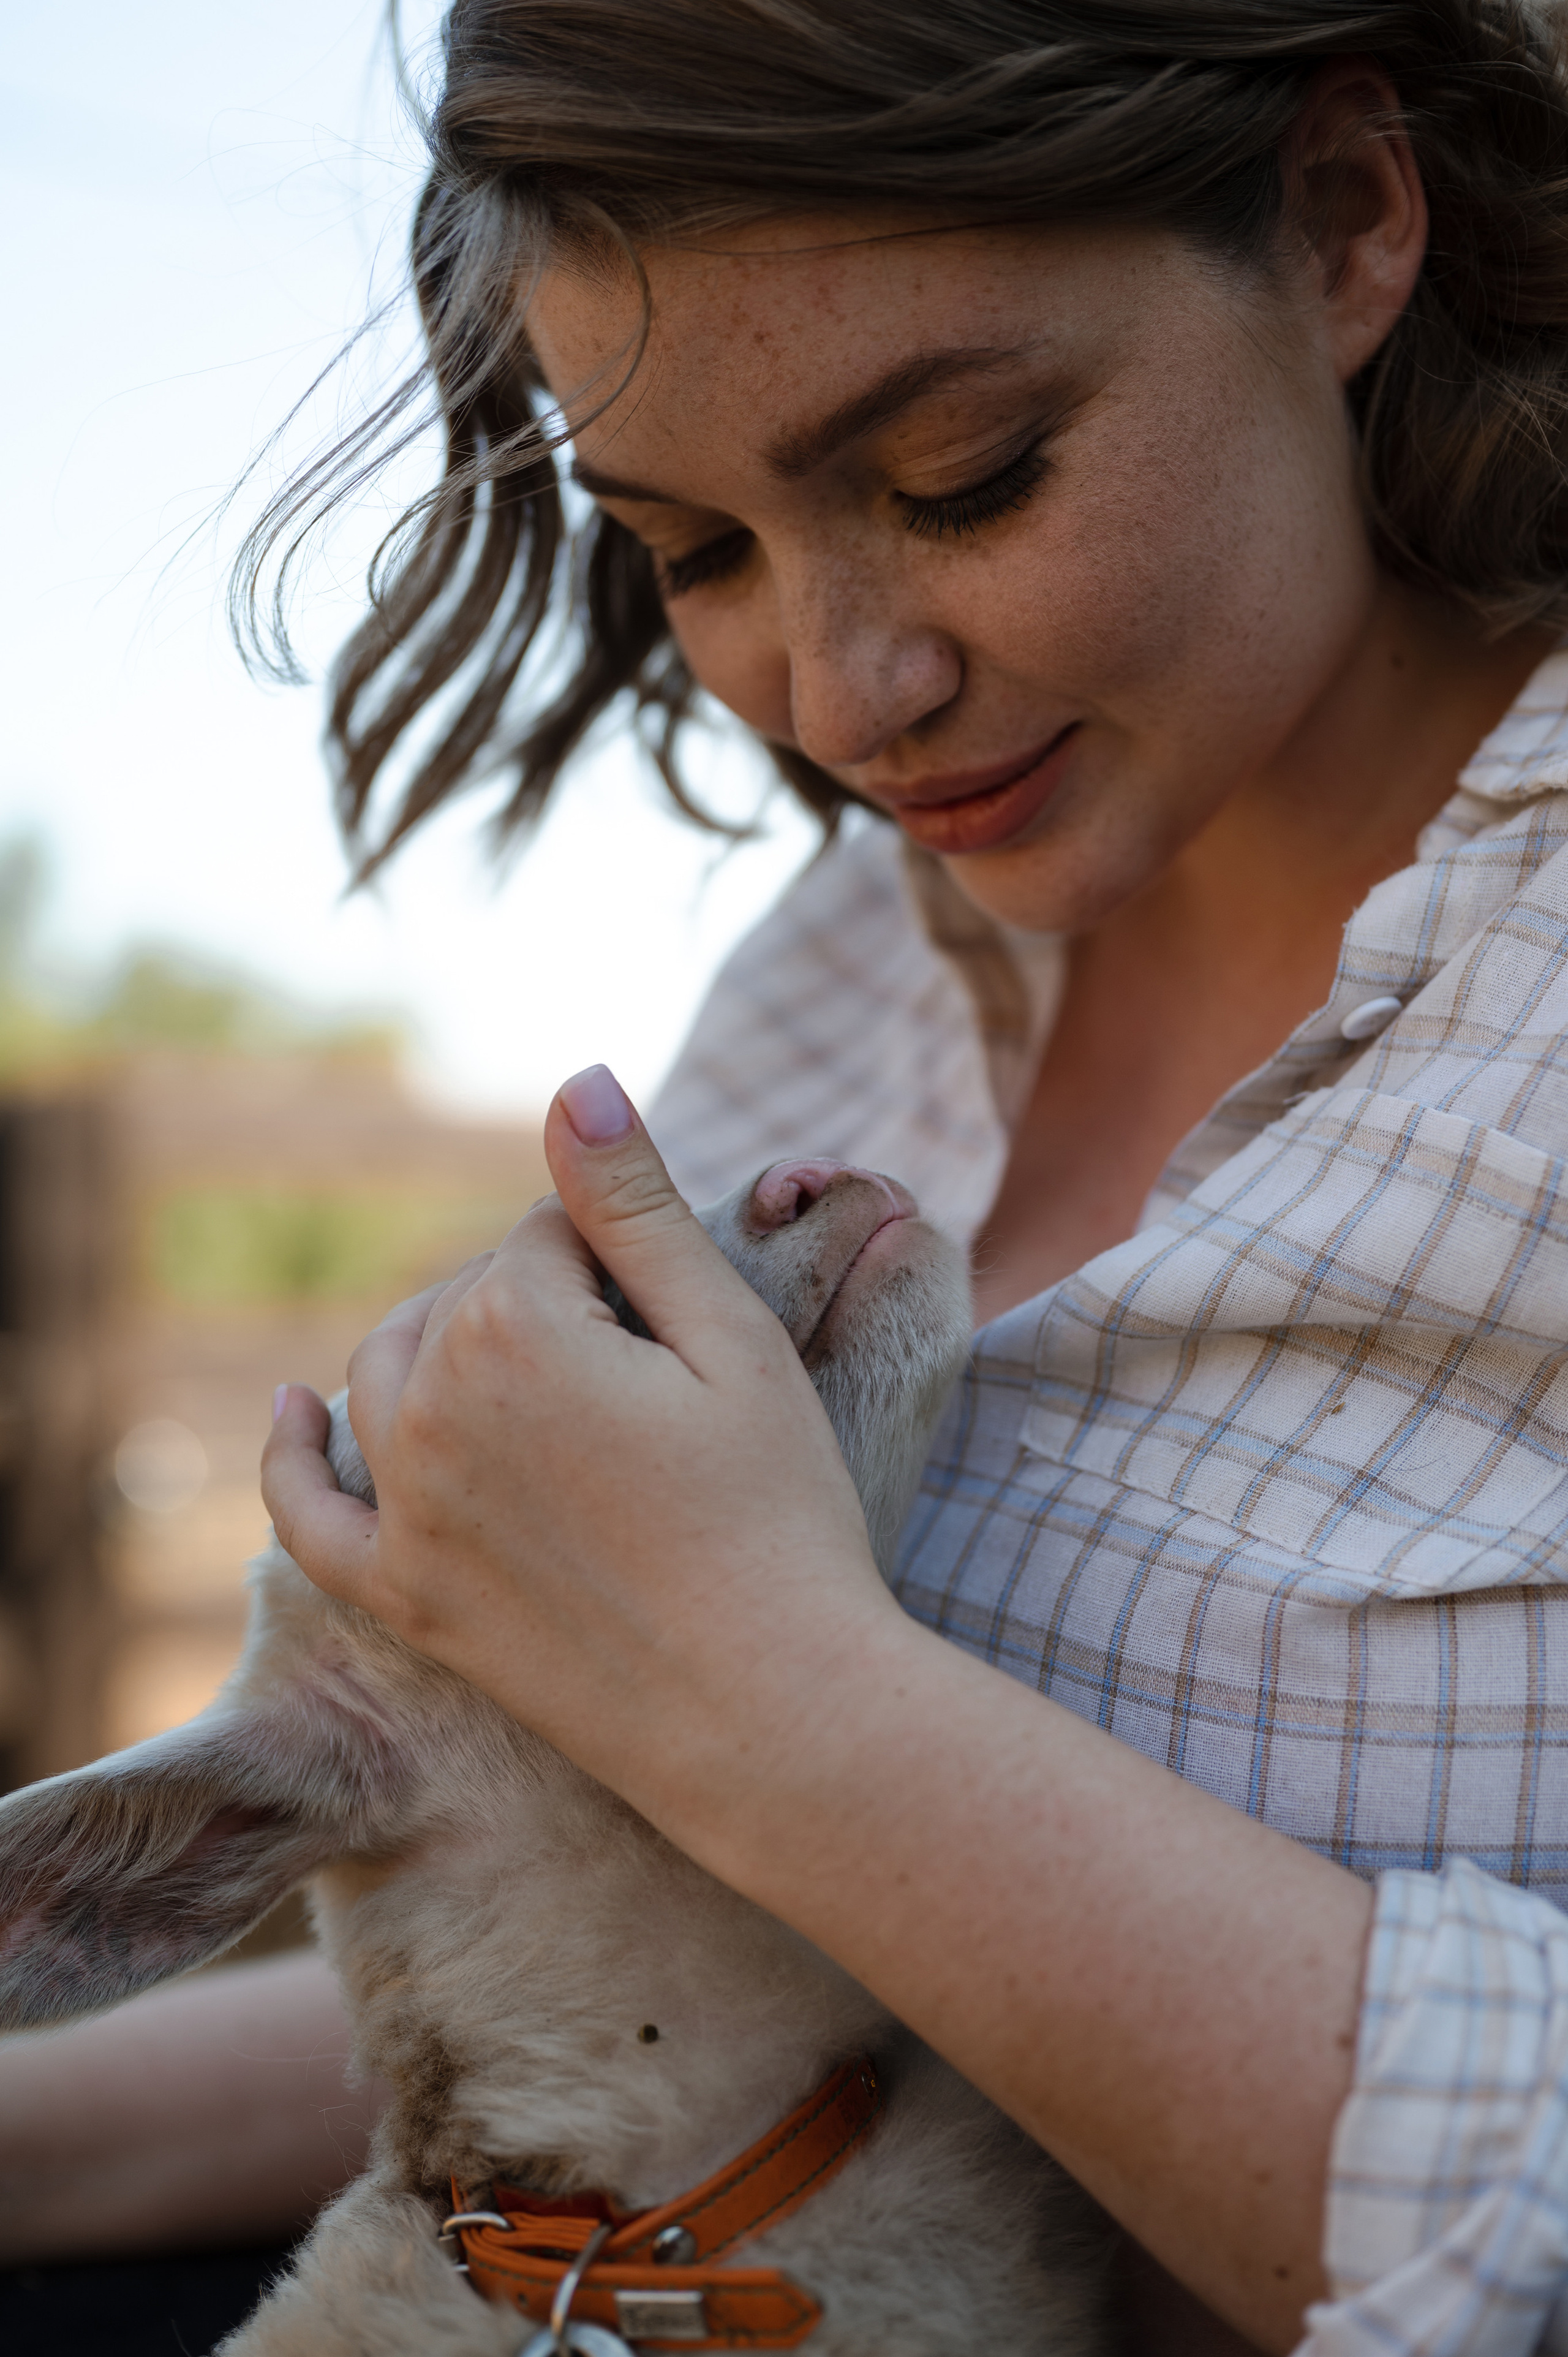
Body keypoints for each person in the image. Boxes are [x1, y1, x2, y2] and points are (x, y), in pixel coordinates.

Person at [7, 4, 1568, 2351]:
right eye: (697, 545)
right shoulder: (855, 961)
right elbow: (652, 2027)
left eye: (964, 472)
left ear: (1350, 224)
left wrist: (773, 1694)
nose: (843, 701)